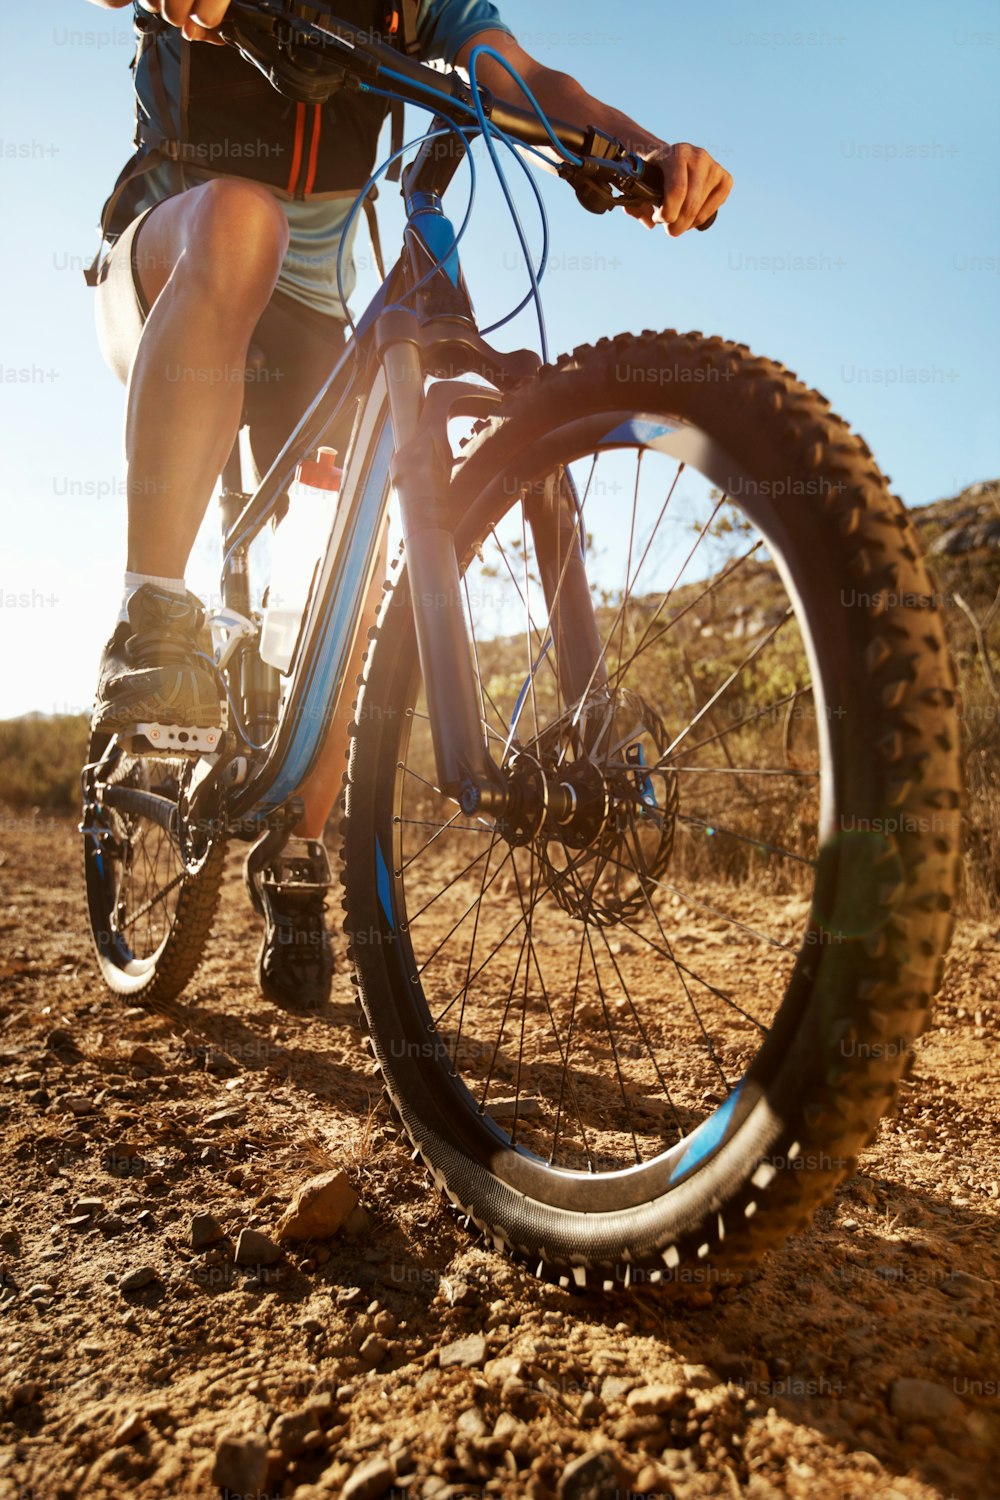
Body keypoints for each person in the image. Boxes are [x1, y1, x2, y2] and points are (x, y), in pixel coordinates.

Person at [85, 0, 732, 1007]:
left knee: (367, 535)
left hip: (313, 313)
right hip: (172, 243)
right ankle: (153, 619)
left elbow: (514, 73)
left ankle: (298, 845)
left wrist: (640, 151)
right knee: (241, 221)